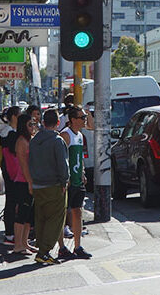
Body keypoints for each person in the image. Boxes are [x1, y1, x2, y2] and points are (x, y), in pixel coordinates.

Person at [28, 109, 69, 265]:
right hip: (54, 185)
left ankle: (41, 247)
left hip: (38, 185)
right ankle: (44, 251)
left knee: (41, 217)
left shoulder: (34, 140)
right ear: (58, 123)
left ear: (43, 123)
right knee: (56, 219)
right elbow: (62, 166)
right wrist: (64, 181)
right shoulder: (57, 141)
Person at [57, 106, 92, 260]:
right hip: (68, 182)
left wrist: (82, 173)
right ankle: (62, 247)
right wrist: (65, 178)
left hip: (78, 181)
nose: (85, 120)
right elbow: (60, 159)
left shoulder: (79, 135)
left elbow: (80, 157)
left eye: (85, 117)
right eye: (82, 117)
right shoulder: (66, 135)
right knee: (62, 214)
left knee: (78, 212)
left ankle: (77, 246)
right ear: (72, 120)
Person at [3, 113, 36, 256]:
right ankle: (18, 245)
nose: (33, 127)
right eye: (30, 124)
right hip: (23, 182)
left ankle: (24, 242)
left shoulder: (30, 140)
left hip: (30, 181)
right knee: (21, 214)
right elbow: (23, 165)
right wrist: (29, 182)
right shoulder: (21, 141)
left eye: (34, 124)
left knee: (28, 215)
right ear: (24, 126)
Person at [0, 106, 21, 245]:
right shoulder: (9, 133)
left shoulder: (8, 132)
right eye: (19, 116)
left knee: (12, 201)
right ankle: (9, 234)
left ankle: (11, 233)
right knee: (11, 202)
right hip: (11, 171)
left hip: (10, 170)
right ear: (13, 117)